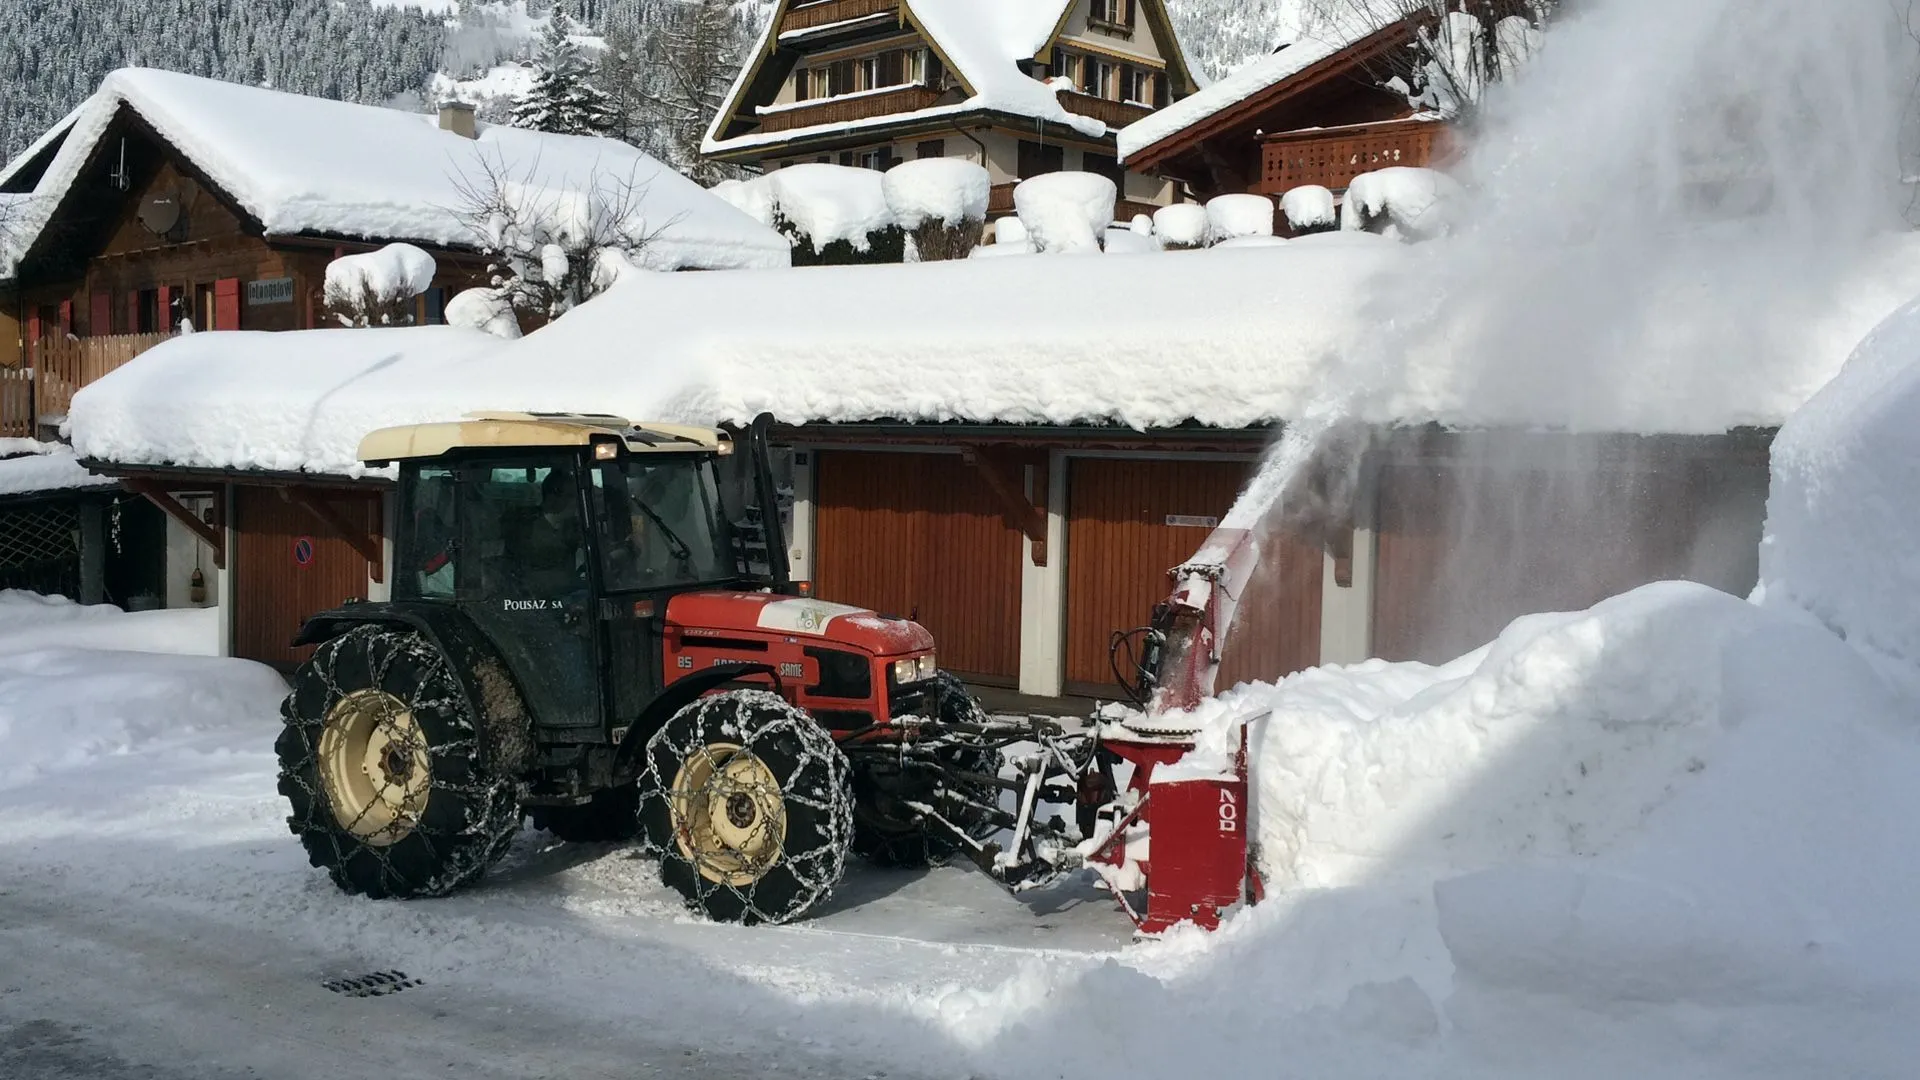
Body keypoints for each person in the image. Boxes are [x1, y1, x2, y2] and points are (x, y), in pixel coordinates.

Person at [508, 469, 585, 595]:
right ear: (552, 497)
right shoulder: (526, 530)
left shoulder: (574, 527)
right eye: (572, 496)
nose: (577, 502)